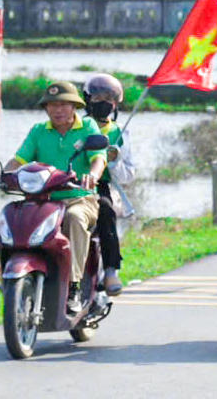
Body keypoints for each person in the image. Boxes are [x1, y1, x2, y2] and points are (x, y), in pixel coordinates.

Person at [4, 81, 107, 313]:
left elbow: (98, 158)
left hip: (79, 198)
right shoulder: (39, 130)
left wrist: (92, 175)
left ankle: (74, 287)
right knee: (13, 218)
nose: (57, 110)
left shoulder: (88, 126)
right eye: (52, 105)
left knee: (74, 218)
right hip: (44, 201)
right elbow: (19, 160)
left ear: (74, 107)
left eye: (63, 105)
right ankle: (11, 278)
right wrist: (1, 176)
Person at [82, 73, 135, 297]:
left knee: (105, 209)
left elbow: (128, 176)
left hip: (99, 186)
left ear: (115, 104)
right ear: (87, 100)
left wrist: (113, 162)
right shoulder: (76, 126)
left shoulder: (119, 133)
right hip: (67, 183)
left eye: (108, 99)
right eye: (97, 98)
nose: (102, 104)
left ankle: (111, 269)